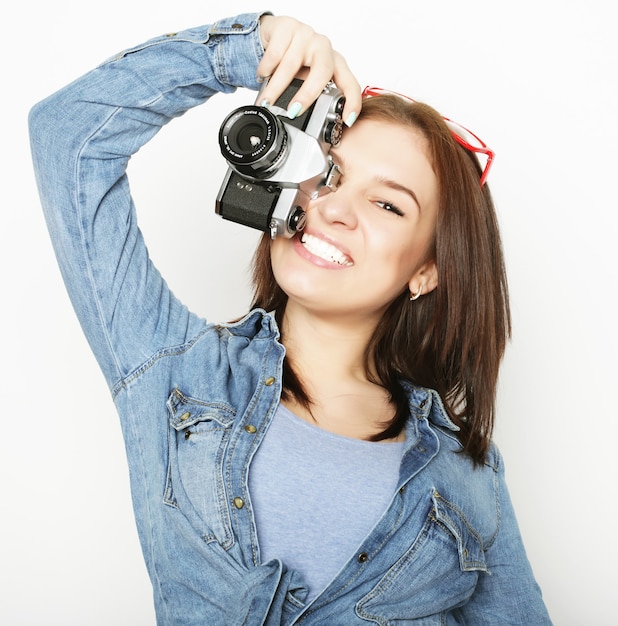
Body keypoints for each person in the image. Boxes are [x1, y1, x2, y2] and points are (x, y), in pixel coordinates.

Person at [29, 11, 552, 625]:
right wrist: (246, 49)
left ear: (428, 270)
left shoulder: (467, 472)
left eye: (386, 203)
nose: (334, 209)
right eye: (327, 172)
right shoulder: (175, 367)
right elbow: (67, 136)